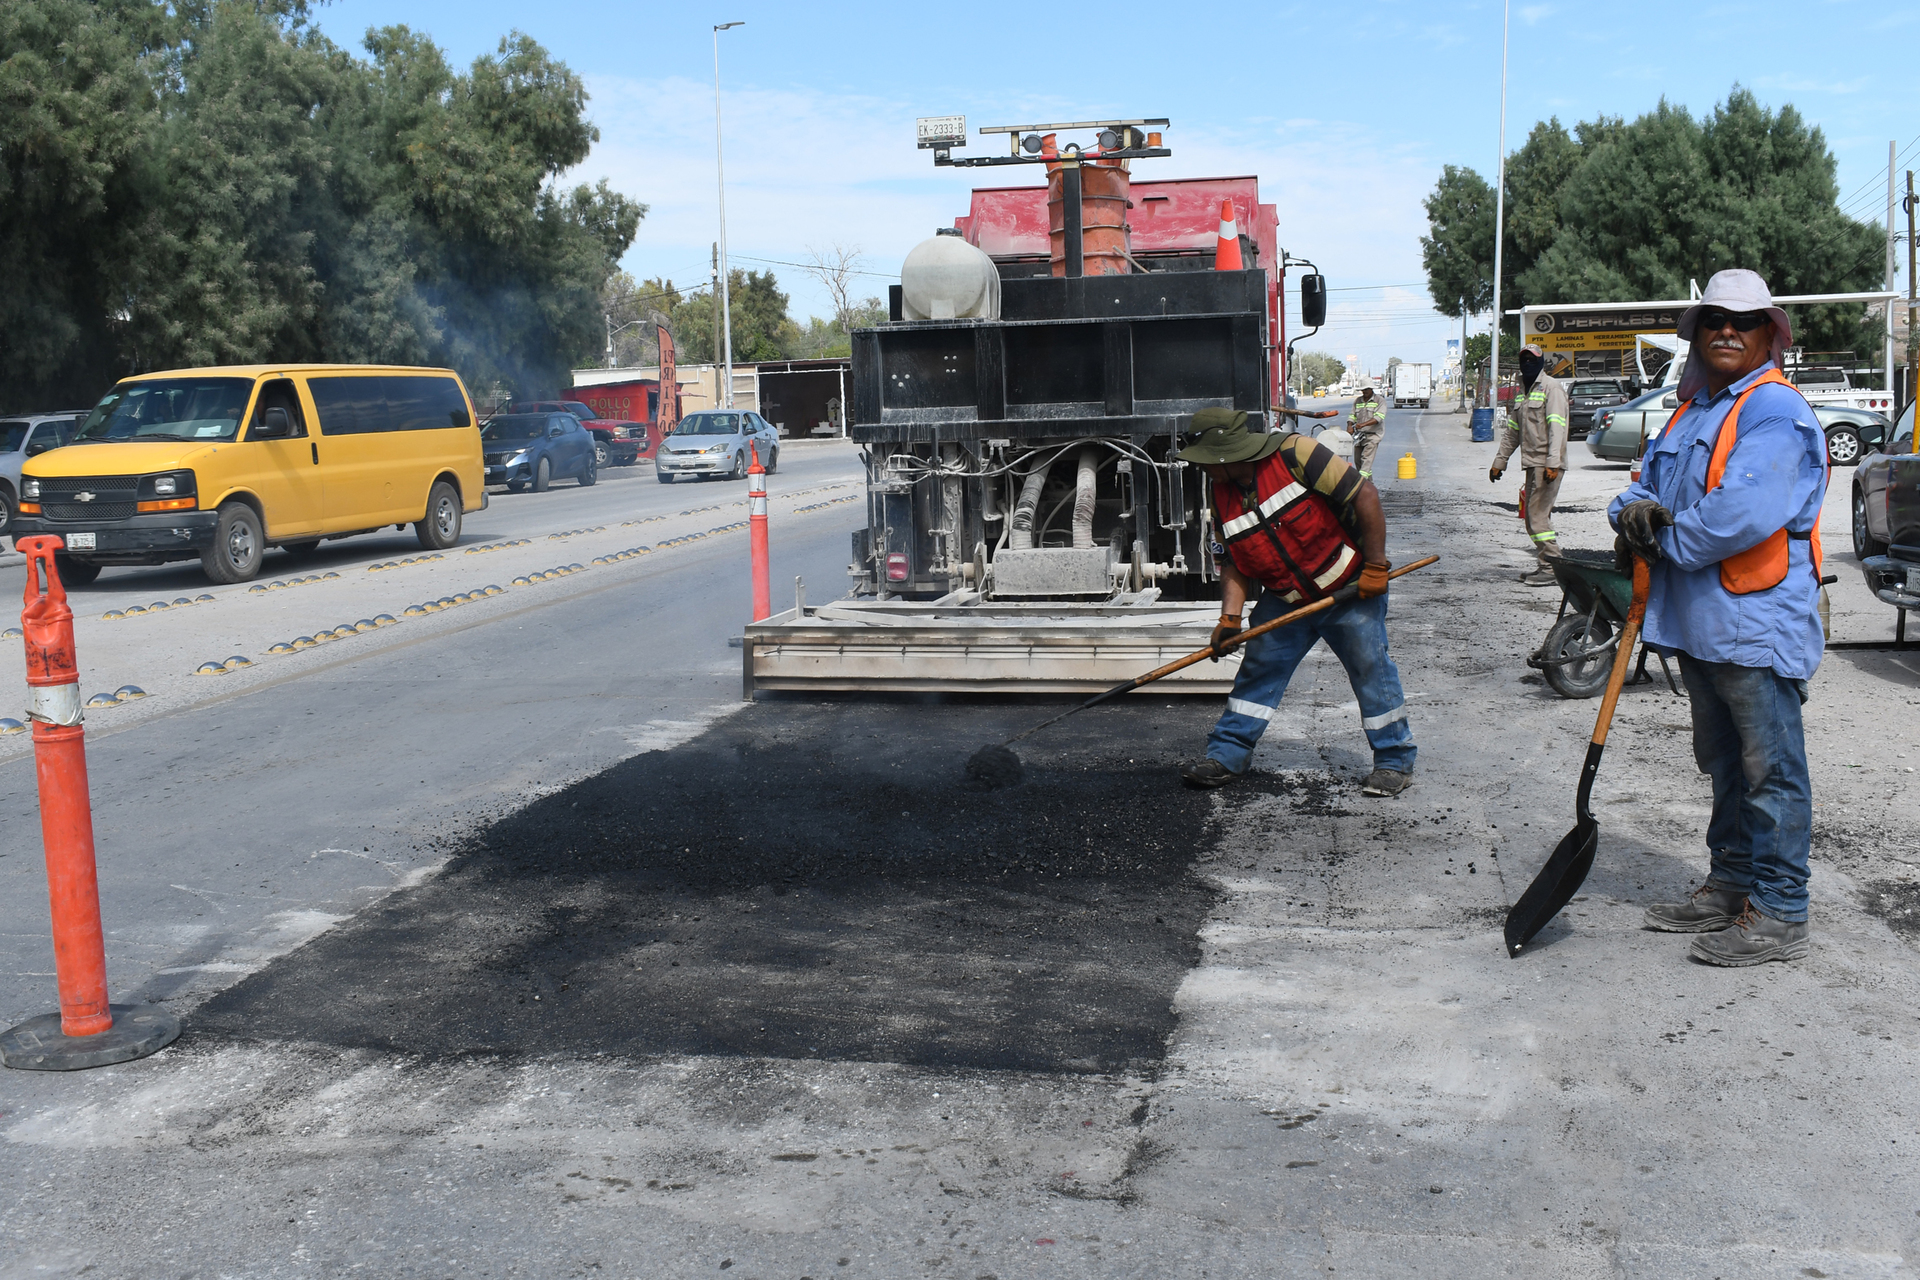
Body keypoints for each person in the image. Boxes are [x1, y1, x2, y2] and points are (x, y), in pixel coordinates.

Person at [1608, 269, 1827, 966]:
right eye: (1714, 321)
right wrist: (1631, 515)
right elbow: (1639, 489)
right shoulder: (1693, 409)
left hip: (1753, 625)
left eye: (1744, 321)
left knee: (1772, 772)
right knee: (1727, 764)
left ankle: (1782, 912)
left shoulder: (1773, 411)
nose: (1727, 331)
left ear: (1769, 333)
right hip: (1700, 623)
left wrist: (1658, 540)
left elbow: (1741, 513)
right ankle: (1732, 883)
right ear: (1697, 334)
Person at [1177, 407, 1415, 797]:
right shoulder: (1220, 491)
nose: (1203, 469)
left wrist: (1375, 566)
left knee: (1371, 667)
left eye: (1206, 462)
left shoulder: (1297, 453)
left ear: (1226, 453)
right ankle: (1227, 755)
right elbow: (1235, 558)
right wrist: (1230, 619)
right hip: (1286, 598)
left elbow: (1365, 496)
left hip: (1348, 588)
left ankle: (1393, 762)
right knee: (1259, 667)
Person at [1489, 342, 1570, 586]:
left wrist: (1553, 463)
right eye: (1523, 360)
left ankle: (1553, 567)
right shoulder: (1524, 392)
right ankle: (1546, 565)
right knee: (1532, 519)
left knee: (1537, 517)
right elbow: (1512, 431)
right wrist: (1499, 461)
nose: (1527, 364)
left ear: (1541, 362)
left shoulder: (1551, 389)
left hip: (1547, 465)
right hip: (1532, 463)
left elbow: (1557, 427)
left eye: (1532, 360)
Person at [1347, 386, 1386, 478]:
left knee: (1366, 460)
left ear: (1371, 389)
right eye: (1363, 390)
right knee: (1358, 462)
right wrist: (1349, 426)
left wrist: (1363, 424)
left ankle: (1360, 485)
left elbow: (1378, 418)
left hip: (1373, 435)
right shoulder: (1358, 401)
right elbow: (1352, 416)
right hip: (1359, 436)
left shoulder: (1379, 400)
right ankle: (1370, 486)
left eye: (1366, 390)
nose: (1364, 392)